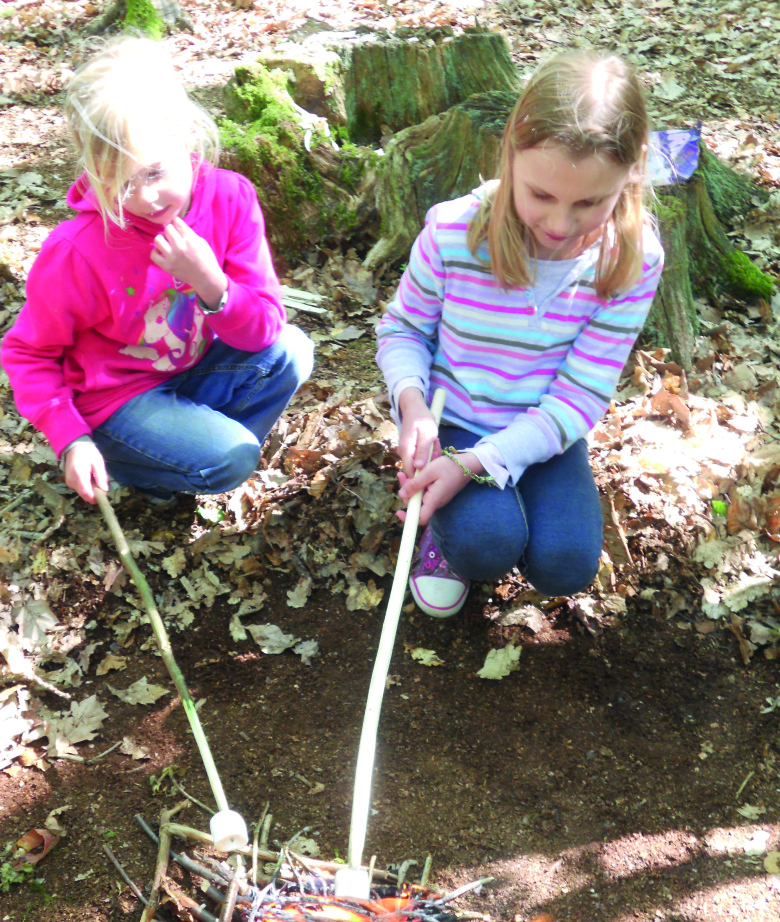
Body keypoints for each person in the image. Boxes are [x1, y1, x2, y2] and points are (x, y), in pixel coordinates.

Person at [376, 50, 663, 618]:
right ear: (509, 152)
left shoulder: (632, 260)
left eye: (590, 203)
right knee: (487, 544)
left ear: (632, 170)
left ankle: (494, 510)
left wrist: (485, 463)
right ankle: (450, 547)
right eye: (540, 195)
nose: (560, 226)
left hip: (545, 430)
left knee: (566, 564)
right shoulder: (456, 232)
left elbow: (581, 394)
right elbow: (403, 328)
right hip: (454, 418)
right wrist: (413, 406)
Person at [1, 36, 313, 506]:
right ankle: (145, 468)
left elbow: (265, 327)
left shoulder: (230, 197)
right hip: (116, 401)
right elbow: (29, 352)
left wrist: (211, 283)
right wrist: (70, 437)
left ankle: (184, 452)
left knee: (291, 350)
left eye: (153, 173)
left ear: (185, 136)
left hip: (191, 366)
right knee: (231, 458)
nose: (143, 199)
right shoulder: (76, 250)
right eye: (119, 183)